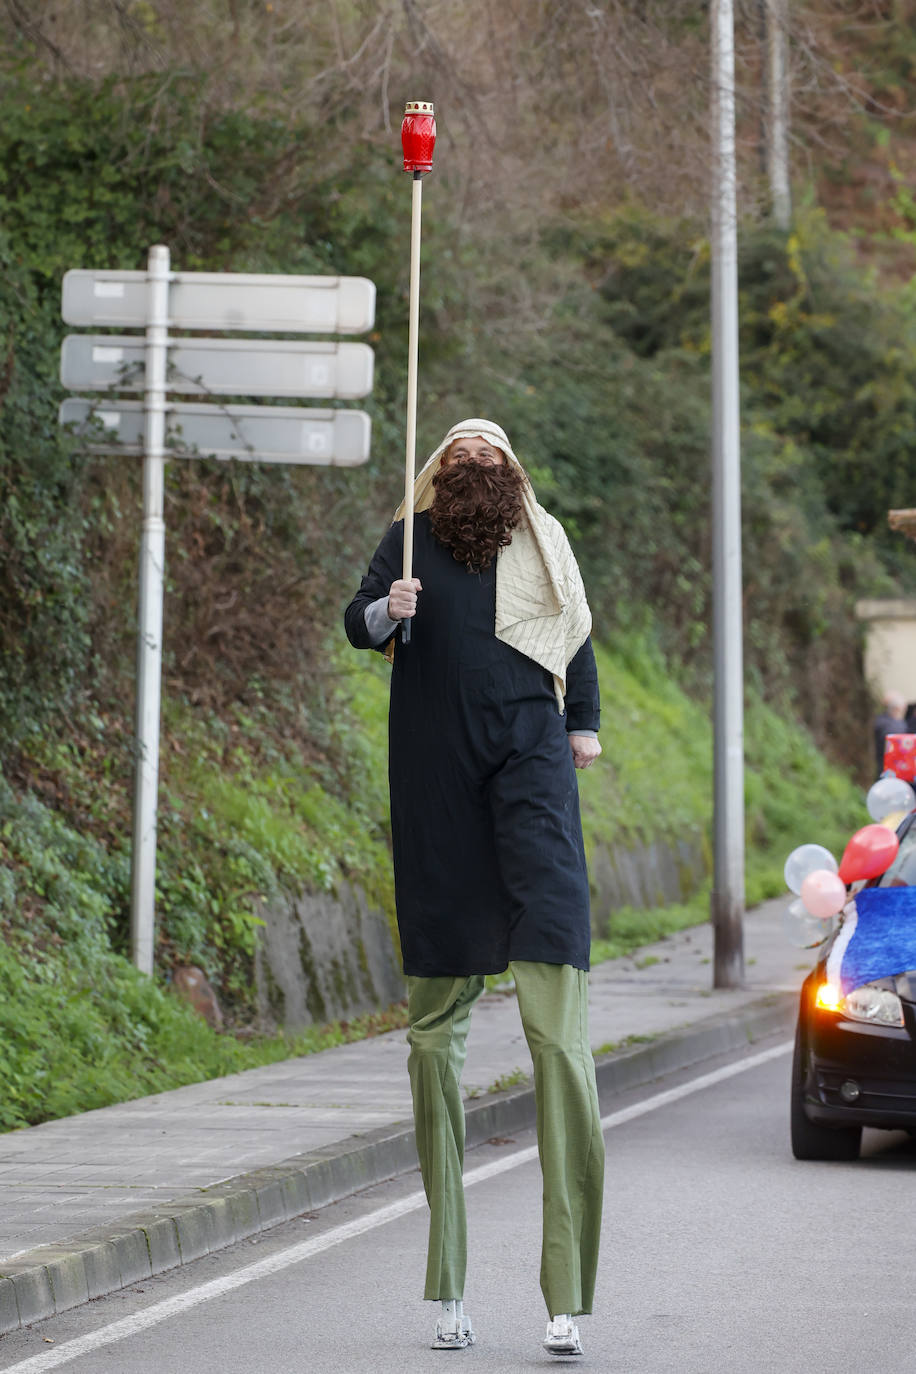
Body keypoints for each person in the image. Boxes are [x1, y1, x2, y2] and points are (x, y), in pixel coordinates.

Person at [344, 419, 605, 1358]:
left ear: (513, 471)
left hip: (531, 767)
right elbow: (356, 618)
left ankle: (565, 1291)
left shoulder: (543, 536)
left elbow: (572, 629)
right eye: (458, 454)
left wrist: (584, 722)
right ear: (437, 471)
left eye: (489, 454)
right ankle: (448, 1285)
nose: (474, 463)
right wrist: (390, 610)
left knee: (556, 1032)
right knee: (433, 1046)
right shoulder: (406, 539)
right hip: (435, 780)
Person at [873, 689, 908, 779]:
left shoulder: (880, 721)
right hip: (894, 773)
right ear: (897, 709)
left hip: (882, 769)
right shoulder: (896, 726)